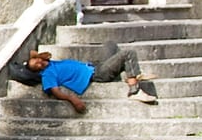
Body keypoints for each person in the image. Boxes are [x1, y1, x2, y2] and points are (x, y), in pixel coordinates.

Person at [15, 42, 158, 114]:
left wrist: (35, 58)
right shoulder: (47, 74)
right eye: (37, 66)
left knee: (110, 45)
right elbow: (55, 91)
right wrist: (73, 99)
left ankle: (131, 73)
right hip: (97, 73)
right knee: (128, 53)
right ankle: (134, 89)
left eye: (37, 61)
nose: (39, 64)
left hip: (93, 66)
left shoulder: (51, 63)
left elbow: (35, 53)